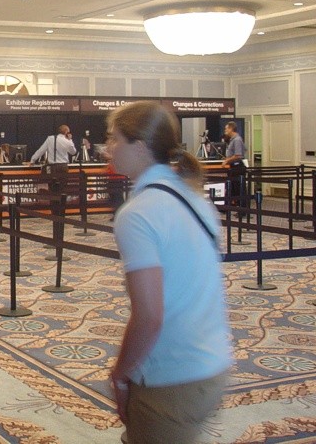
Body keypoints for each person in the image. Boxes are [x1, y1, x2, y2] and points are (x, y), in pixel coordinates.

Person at [106, 101, 232, 444]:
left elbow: (149, 317)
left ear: (140, 146)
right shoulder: (195, 198)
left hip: (170, 377)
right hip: (211, 363)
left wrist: (119, 375)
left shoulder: (138, 213)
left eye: (115, 139)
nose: (108, 148)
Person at [30, 124, 77, 192]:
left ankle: (53, 198)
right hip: (63, 167)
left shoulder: (50, 139)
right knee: (62, 188)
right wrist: (70, 140)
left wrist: (33, 160)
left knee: (52, 188)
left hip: (52, 167)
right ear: (66, 132)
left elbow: (41, 150)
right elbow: (73, 152)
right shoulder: (67, 141)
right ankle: (61, 198)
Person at [221, 121, 247, 213]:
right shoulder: (232, 140)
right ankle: (226, 208)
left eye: (226, 129)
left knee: (239, 189)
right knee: (231, 188)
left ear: (231, 129)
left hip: (237, 167)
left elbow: (238, 155)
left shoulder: (237, 140)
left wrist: (227, 160)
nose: (225, 130)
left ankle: (242, 211)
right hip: (233, 167)